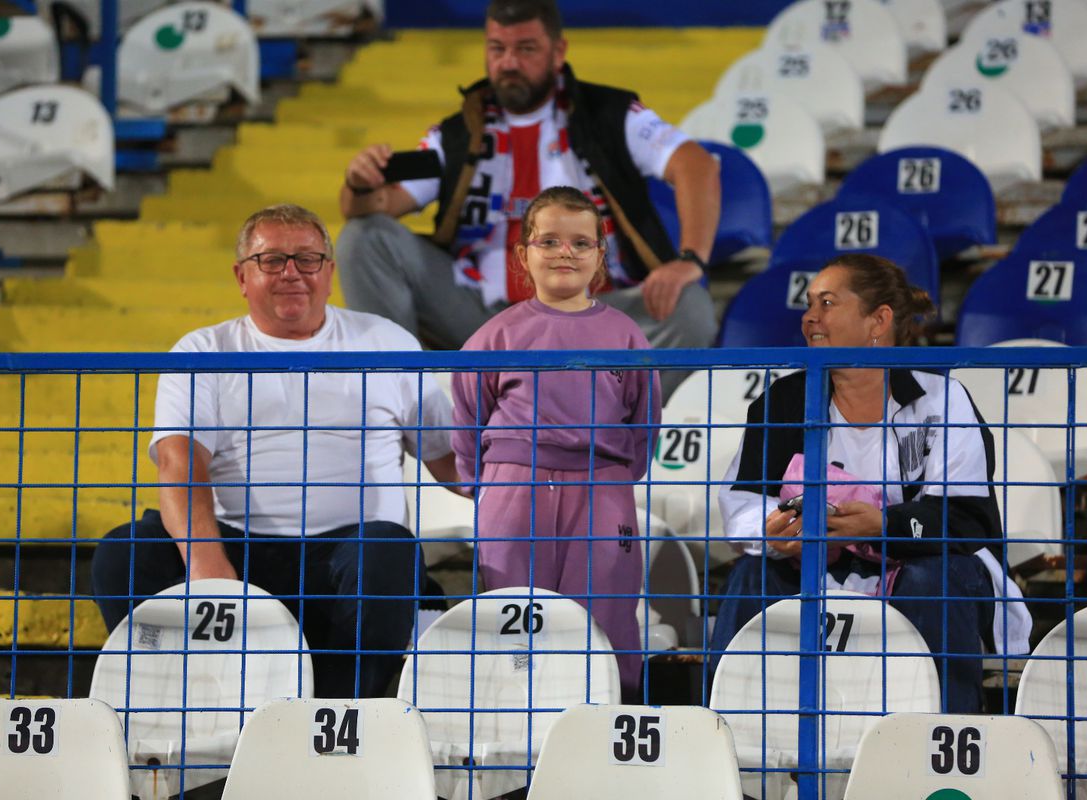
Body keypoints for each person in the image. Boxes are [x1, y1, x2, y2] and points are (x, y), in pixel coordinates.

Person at [91, 203, 460, 699]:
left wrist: (543, 467)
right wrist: (210, 574)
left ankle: (340, 714)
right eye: (272, 260)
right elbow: (180, 463)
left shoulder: (386, 341)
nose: (292, 273)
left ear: (330, 272)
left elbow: (453, 463)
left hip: (349, 559)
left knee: (389, 550)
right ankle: (190, 703)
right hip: (237, 552)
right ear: (242, 276)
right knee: (125, 552)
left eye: (308, 259)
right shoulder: (203, 351)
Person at [337, 0, 720, 398]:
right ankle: (400, 402)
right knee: (363, 237)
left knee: (688, 307)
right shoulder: (455, 133)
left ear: (559, 52)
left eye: (526, 49)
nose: (508, 63)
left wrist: (689, 261)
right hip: (481, 322)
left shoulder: (610, 113)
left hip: (597, 320)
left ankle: (620, 431)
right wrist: (360, 184)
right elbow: (374, 210)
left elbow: (697, 166)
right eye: (497, 49)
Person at [707, 254, 1031, 713]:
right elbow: (742, 503)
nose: (809, 317)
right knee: (751, 576)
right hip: (816, 563)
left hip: (930, 564)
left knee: (928, 580)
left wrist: (884, 525)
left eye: (827, 303)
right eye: (808, 304)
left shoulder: (943, 398)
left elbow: (965, 516)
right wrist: (774, 531)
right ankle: (730, 735)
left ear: (878, 320)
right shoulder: (783, 400)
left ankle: (943, 739)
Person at [451, 186, 662, 691]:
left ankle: (608, 723)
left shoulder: (627, 335)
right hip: (513, 487)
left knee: (605, 613)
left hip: (602, 484)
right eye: (549, 241)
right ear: (524, 255)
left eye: (580, 243)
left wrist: (608, 476)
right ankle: (518, 741)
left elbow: (643, 422)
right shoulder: (495, 335)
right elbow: (467, 418)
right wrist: (493, 482)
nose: (565, 252)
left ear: (599, 256)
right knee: (515, 618)